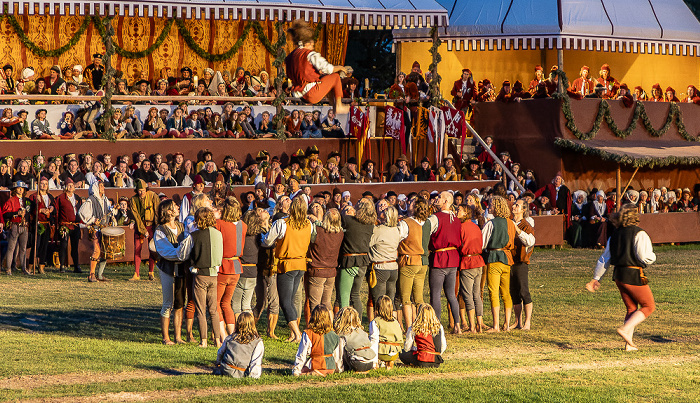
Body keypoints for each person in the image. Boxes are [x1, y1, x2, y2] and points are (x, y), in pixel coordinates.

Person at [586, 204, 656, 351]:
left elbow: (605, 259)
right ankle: (625, 329)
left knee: (631, 308)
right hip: (633, 274)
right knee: (649, 306)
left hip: (618, 275)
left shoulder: (614, 235)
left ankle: (628, 344)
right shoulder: (639, 233)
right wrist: (652, 258)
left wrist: (596, 278)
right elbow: (645, 256)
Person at [262, 196, 314, 343]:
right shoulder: (309, 224)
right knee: (290, 300)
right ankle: (294, 333)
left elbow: (267, 241)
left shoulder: (282, 223)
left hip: (287, 264)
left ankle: (297, 334)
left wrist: (263, 237)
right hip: (300, 265)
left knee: (285, 302)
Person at [178, 207, 224, 348]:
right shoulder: (218, 234)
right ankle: (217, 340)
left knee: (200, 309)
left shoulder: (194, 235)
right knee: (213, 309)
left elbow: (183, 254)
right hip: (214, 274)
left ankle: (203, 340)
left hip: (200, 275)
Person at [285, 19, 349, 115]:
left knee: (327, 80)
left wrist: (316, 73)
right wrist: (340, 67)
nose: (313, 47)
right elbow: (328, 68)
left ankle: (334, 105)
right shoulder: (310, 54)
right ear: (307, 43)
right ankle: (339, 106)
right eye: (312, 45)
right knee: (335, 77)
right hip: (311, 93)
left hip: (299, 94)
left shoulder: (291, 56)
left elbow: (298, 72)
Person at [153, 200, 189, 345]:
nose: (177, 208)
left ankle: (178, 337)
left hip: (182, 268)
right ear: (168, 211)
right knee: (168, 302)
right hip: (168, 268)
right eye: (174, 206)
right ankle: (166, 337)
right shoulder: (160, 230)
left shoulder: (181, 226)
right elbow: (165, 250)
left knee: (180, 303)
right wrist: (181, 252)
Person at [427, 191, 462, 333]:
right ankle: (457, 325)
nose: (437, 199)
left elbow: (427, 233)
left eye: (440, 197)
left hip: (439, 258)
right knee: (451, 295)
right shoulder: (456, 218)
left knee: (435, 294)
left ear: (446, 201)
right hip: (453, 258)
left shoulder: (435, 218)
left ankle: (437, 327)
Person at [482, 196, 517, 332]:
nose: (488, 207)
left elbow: (482, 243)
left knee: (493, 291)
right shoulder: (511, 223)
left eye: (490, 205)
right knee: (506, 292)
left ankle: (496, 325)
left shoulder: (491, 223)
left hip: (494, 258)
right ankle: (506, 324)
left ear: (496, 207)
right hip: (507, 259)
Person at [368, 206, 407, 319]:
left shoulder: (379, 230)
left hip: (380, 266)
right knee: (390, 300)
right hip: (393, 267)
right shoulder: (397, 230)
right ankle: (393, 322)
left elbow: (369, 243)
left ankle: (379, 326)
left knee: (378, 300)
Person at [338, 198, 375, 315]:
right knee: (355, 295)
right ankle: (357, 323)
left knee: (344, 297)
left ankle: (344, 324)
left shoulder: (348, 220)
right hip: (363, 261)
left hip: (350, 260)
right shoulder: (370, 224)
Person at [216, 197, 246, 338]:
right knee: (227, 303)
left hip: (223, 265)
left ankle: (222, 336)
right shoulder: (243, 225)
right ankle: (233, 334)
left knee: (216, 302)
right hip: (236, 266)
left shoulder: (219, 224)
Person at [307, 208, 344, 313]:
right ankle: (329, 327)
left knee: (315, 305)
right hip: (331, 271)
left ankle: (317, 327)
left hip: (317, 270)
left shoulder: (318, 230)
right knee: (327, 303)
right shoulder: (340, 233)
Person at [456, 204, 486, 333]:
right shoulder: (476, 227)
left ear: (465, 213)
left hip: (468, 261)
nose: (457, 212)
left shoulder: (461, 227)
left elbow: (459, 244)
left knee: (468, 295)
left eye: (459, 210)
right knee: (476, 294)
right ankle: (479, 323)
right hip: (478, 261)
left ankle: (472, 326)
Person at [78, 181, 114, 282]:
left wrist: (114, 209)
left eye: (103, 186)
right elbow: (82, 212)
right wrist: (93, 220)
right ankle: (91, 274)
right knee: (97, 251)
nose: (103, 187)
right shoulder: (91, 200)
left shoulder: (105, 199)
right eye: (101, 186)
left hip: (104, 228)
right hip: (96, 229)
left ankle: (100, 275)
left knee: (104, 251)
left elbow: (108, 211)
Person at [292, 305, 343, 376]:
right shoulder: (334, 335)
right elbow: (337, 356)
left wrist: (296, 371)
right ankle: (320, 372)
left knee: (302, 371)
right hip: (331, 368)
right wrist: (338, 369)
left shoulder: (308, 333)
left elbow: (302, 354)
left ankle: (312, 373)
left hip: (316, 365)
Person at [509, 199, 536, 330]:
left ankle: (527, 322)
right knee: (513, 292)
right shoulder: (509, 222)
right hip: (509, 261)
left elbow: (530, 241)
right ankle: (517, 321)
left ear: (524, 210)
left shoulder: (526, 225)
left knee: (524, 291)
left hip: (521, 262)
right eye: (514, 205)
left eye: (517, 205)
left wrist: (517, 230)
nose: (514, 206)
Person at [213, 312, 264, 378]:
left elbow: (220, 352)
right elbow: (256, 361)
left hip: (226, 370)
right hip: (242, 372)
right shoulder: (257, 342)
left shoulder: (230, 338)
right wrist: (254, 376)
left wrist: (218, 363)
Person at [129, 179, 160, 281]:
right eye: (139, 190)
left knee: (152, 249)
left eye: (143, 190)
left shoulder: (153, 195)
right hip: (140, 226)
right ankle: (136, 273)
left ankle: (151, 272)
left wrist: (157, 227)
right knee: (137, 249)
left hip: (152, 226)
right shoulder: (133, 200)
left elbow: (157, 212)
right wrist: (143, 230)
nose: (141, 193)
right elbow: (136, 216)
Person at [400, 304, 446, 368]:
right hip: (436, 362)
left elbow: (407, 348)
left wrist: (415, 349)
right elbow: (443, 346)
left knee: (402, 353)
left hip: (422, 359)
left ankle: (413, 364)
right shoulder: (439, 327)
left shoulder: (414, 327)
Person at [334, 306, 376, 372]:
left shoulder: (344, 334)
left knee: (345, 349)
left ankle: (351, 369)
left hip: (357, 363)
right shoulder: (362, 331)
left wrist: (339, 368)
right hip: (370, 362)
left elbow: (339, 353)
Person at [28, 177, 55, 275]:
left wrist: (51, 208)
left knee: (44, 246)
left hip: (46, 224)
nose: (44, 185)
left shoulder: (50, 197)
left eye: (45, 184)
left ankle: (41, 267)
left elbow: (55, 210)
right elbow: (30, 211)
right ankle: (30, 266)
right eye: (42, 183)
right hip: (38, 223)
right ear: (38, 185)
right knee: (36, 245)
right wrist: (39, 209)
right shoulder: (34, 196)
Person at [2, 181, 30, 275]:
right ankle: (8, 268)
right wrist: (16, 213)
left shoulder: (26, 201)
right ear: (15, 190)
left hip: (24, 226)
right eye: (18, 188)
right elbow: (5, 214)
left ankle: (23, 268)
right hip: (14, 225)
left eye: (22, 188)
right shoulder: (11, 200)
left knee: (23, 248)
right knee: (11, 248)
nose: (21, 190)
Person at [54, 178, 82, 273]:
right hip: (65, 225)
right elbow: (56, 211)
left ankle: (76, 266)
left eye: (72, 185)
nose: (71, 187)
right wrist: (58, 224)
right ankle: (62, 266)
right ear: (65, 187)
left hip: (75, 225)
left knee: (75, 246)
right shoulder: (61, 198)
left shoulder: (77, 198)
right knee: (64, 245)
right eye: (69, 185)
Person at [368, 295, 403, 370]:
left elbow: (374, 340)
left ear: (377, 307)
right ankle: (389, 362)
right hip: (395, 352)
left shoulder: (375, 322)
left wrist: (374, 361)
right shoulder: (396, 322)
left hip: (382, 352)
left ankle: (380, 361)